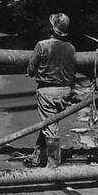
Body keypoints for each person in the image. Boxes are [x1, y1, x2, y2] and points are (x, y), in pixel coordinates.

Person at [25, 12, 77, 168]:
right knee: (49, 123)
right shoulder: (71, 48)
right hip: (66, 92)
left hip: (48, 92)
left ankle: (53, 164)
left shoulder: (42, 45)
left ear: (53, 29)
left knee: (50, 127)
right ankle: (37, 156)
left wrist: (31, 70)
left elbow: (31, 69)